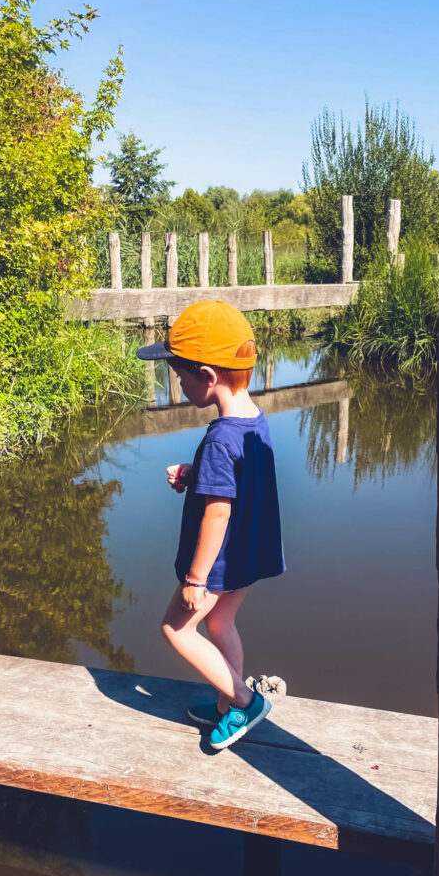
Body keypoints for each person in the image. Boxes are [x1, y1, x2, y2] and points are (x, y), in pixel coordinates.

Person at [137, 300, 285, 751]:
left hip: (218, 562)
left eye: (179, 376)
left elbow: (218, 511)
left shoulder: (221, 438)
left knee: (176, 628)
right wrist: (196, 470)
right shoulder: (253, 420)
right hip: (250, 552)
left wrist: (195, 579)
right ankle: (226, 706)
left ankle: (244, 700)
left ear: (207, 375)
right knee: (221, 624)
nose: (178, 385)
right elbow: (239, 478)